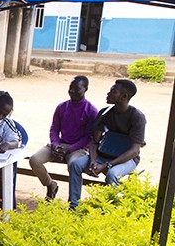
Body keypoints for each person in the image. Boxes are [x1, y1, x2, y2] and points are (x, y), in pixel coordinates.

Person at [68, 79, 146, 208]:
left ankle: (109, 209)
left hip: (126, 159)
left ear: (124, 96)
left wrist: (107, 165)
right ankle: (74, 205)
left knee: (112, 174)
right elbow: (94, 142)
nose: (108, 94)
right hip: (103, 155)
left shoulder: (137, 117)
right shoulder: (105, 113)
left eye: (113, 91)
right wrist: (93, 161)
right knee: (76, 165)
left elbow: (134, 151)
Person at [29, 76, 98, 201]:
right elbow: (54, 128)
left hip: (78, 148)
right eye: (70, 88)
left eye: (77, 89)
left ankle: (73, 202)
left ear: (85, 89)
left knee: (74, 165)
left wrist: (70, 149)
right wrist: (55, 144)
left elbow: (89, 137)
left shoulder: (91, 111)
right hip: (60, 145)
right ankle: (51, 184)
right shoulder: (62, 107)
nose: (72, 92)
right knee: (34, 159)